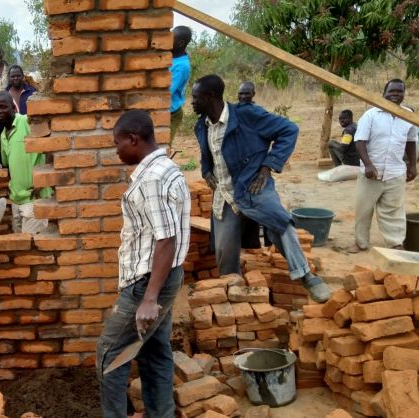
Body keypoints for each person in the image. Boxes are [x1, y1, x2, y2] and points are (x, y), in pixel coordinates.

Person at [191, 74, 331, 302]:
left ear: (210, 96)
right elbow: (208, 155)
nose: (192, 102)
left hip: (253, 187)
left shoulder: (247, 115)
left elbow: (289, 130)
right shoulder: (201, 125)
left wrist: (268, 166)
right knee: (224, 252)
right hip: (226, 195)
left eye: (195, 97)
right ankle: (234, 295)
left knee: (281, 224)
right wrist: (206, 171)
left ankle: (307, 276)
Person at [96, 110, 190, 418]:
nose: (117, 150)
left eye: (118, 143)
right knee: (154, 351)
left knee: (110, 354)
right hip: (165, 277)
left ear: (133, 139)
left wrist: (149, 299)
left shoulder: (150, 178)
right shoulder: (168, 168)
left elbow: (166, 239)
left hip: (147, 282)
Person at [349, 79, 418, 253]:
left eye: (399, 92)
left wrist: (412, 165)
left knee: (393, 210)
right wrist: (368, 165)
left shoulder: (408, 115)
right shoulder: (371, 115)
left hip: (396, 172)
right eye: (391, 92)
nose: (395, 95)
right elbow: (360, 141)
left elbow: (411, 142)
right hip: (371, 173)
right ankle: (360, 243)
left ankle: (395, 243)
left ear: (404, 94)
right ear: (383, 93)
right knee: (363, 210)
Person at [0, 90, 51, 234]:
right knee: (21, 247)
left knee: (31, 249)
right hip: (16, 200)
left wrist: (44, 181)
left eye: (2, 107)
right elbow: (9, 166)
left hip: (34, 197)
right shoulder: (2, 135)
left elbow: (50, 143)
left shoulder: (25, 121)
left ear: (13, 108)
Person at [169, 26, 192, 142]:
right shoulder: (170, 56)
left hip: (171, 114)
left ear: (180, 43)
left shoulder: (182, 66)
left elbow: (167, 91)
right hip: (163, 111)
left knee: (162, 148)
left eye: (171, 38)